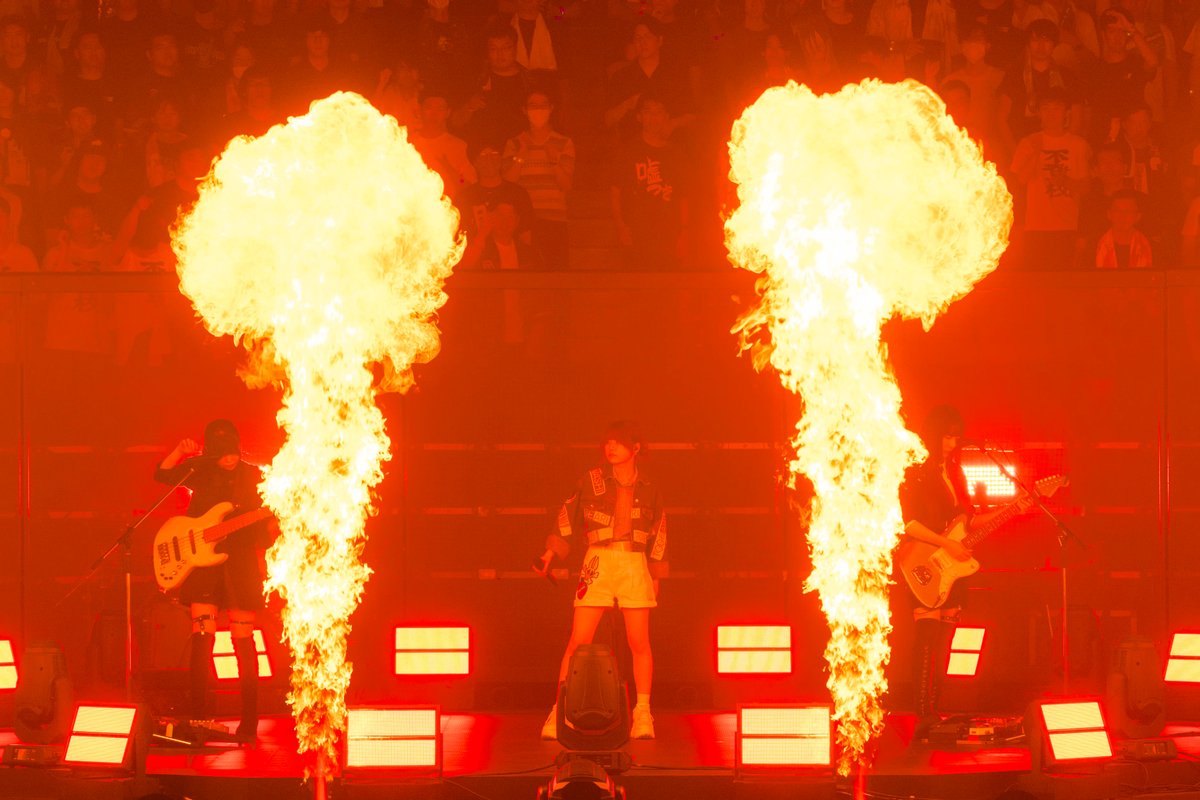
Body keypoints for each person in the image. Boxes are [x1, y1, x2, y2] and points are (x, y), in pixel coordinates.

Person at [899, 405, 1029, 738]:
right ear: (933, 434)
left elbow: (967, 521)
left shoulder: (955, 472)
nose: (952, 443)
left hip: (953, 567)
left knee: (945, 638)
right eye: (947, 435)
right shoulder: (913, 470)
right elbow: (908, 521)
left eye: (956, 436)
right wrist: (947, 544)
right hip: (922, 560)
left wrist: (1011, 509)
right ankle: (923, 713)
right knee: (927, 636)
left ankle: (936, 711)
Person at [535, 420, 667, 741]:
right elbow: (567, 515)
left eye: (618, 443)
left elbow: (659, 534)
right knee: (578, 640)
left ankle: (643, 713)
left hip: (634, 562)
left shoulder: (649, 486)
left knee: (639, 642)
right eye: (608, 442)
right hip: (597, 558)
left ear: (635, 448)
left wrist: (656, 576)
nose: (611, 448)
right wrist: (549, 555)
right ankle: (559, 710)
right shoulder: (591, 480)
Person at [154, 421, 271, 743]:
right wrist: (179, 451)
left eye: (232, 453)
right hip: (202, 561)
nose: (228, 460)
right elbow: (163, 475)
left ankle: (249, 720)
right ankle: (199, 717)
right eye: (221, 455)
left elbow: (269, 520)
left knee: (243, 642)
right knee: (202, 635)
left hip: (241, 561)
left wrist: (271, 528)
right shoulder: (200, 469)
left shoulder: (255, 475)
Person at [1010, 85, 1090, 270]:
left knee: (1063, 281)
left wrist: (1065, 181)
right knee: (1036, 282)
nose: (1050, 114)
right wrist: (1036, 153)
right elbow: (1021, 179)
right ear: (1038, 112)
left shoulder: (1078, 144)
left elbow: (1086, 188)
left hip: (1068, 225)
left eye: (1056, 108)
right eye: (1045, 109)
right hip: (1035, 225)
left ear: (1066, 113)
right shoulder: (1028, 142)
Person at [610, 92, 690, 271]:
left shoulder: (677, 155)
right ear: (639, 117)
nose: (654, 117)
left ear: (667, 117)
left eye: (659, 112)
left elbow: (684, 196)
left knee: (668, 293)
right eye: (648, 112)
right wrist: (620, 225)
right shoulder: (627, 152)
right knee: (636, 292)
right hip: (635, 235)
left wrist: (685, 231)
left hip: (669, 235)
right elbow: (615, 193)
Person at [503, 89, 574, 268]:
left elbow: (566, 185)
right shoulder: (514, 143)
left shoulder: (564, 143)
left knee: (557, 276)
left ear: (551, 108)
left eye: (543, 106)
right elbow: (508, 183)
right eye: (533, 106)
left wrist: (554, 162)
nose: (538, 110)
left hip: (554, 219)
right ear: (524, 110)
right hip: (524, 221)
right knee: (527, 276)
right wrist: (521, 154)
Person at [997, 19, 1082, 158]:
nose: (1040, 47)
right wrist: (1015, 152)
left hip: (1060, 151)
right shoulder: (1013, 76)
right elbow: (1001, 119)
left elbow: (1076, 118)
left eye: (1047, 41)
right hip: (1022, 148)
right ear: (1028, 44)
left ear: (1055, 44)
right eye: (1035, 40)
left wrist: (1066, 149)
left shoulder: (1068, 76)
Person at [605, 19, 696, 142]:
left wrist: (673, 124)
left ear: (660, 40)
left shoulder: (675, 74)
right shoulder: (622, 76)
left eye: (648, 37)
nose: (642, 42)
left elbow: (692, 114)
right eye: (638, 38)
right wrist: (627, 104)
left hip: (669, 144)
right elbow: (606, 120)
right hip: (632, 145)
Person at [451, 26, 532, 148]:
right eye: (494, 49)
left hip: (522, 151)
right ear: (487, 50)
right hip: (484, 155)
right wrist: (469, 107)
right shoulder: (475, 80)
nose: (500, 54)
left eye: (505, 48)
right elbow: (455, 122)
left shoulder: (530, 81)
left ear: (516, 47)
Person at [1089, 10, 1157, 142]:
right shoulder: (1093, 69)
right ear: (1103, 34)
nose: (1117, 37)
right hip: (1102, 139)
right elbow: (1087, 111)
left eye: (1122, 31)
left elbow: (1153, 61)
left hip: (1133, 136)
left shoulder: (1136, 63)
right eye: (1112, 31)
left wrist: (1131, 29)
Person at [453, 136, 534, 244]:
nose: (489, 160)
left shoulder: (517, 193)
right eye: (483, 156)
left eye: (494, 154)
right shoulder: (464, 198)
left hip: (511, 258)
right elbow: (459, 240)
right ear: (474, 162)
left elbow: (526, 236)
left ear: (501, 158)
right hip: (477, 257)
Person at [412, 90, 477, 199]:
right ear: (419, 110)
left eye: (440, 110)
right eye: (429, 108)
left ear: (447, 113)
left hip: (449, 211)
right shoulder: (406, 144)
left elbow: (470, 186)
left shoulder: (459, 146)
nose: (434, 115)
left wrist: (451, 172)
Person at [1077, 141, 1132, 263]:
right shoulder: (1089, 204)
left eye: (1115, 161)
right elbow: (1081, 245)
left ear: (1125, 167)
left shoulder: (1139, 201)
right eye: (1104, 163)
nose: (1110, 167)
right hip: (1096, 270)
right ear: (1096, 170)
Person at [1095, 190, 1152, 268]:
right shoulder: (1094, 248)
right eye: (1117, 210)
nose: (1122, 216)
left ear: (1138, 216)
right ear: (1109, 214)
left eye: (1128, 211)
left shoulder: (1151, 247)